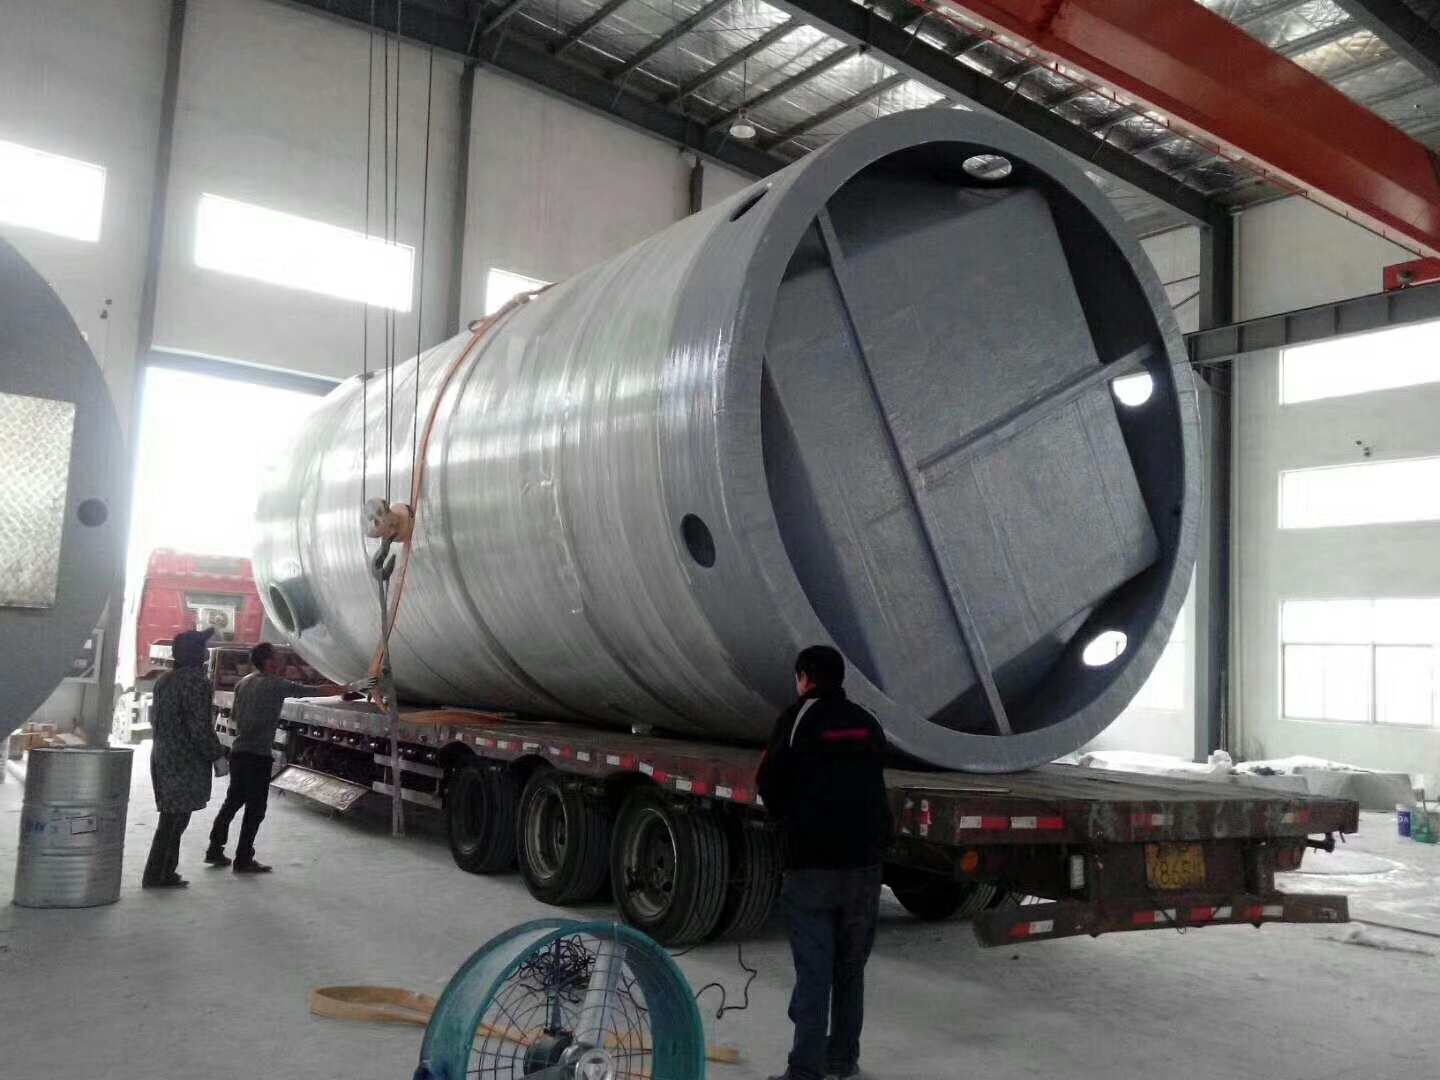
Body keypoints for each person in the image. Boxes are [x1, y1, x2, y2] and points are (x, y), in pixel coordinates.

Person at [756, 645, 892, 1080]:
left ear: (804, 678)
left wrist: (790, 821)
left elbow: (768, 782)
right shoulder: (867, 721)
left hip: (812, 866)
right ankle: (843, 1059)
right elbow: (877, 774)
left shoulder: (796, 719)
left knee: (814, 972)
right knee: (850, 969)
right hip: (865, 867)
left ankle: (804, 1070)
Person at [205, 643, 370, 874]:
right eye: (277, 656)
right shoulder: (275, 684)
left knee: (232, 802)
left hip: (239, 752)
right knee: (255, 809)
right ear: (269, 662)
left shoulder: (244, 682)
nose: (282, 659)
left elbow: (235, 716)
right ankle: (243, 858)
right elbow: (313, 692)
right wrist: (351, 687)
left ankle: (214, 849)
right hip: (258, 755)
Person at [142, 627, 225, 889]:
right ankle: (158, 874)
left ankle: (162, 872)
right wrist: (217, 755)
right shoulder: (195, 682)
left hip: (163, 755)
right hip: (183, 761)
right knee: (175, 820)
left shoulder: (165, 680)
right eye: (203, 648)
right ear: (196, 653)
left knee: (171, 818)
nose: (207, 652)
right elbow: (199, 726)